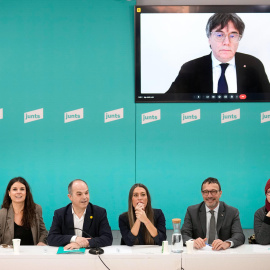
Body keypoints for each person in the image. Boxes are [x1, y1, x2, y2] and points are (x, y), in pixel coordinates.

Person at [167, 13, 270, 94]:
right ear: (209, 38)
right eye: (220, 35)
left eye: (233, 36)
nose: (226, 42)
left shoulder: (254, 65)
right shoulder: (191, 68)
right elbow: (168, 103)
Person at [181, 177, 245, 250]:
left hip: (222, 253)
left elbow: (239, 235)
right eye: (206, 192)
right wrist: (193, 242)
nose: (209, 196)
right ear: (202, 193)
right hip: (200, 253)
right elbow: (184, 234)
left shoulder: (232, 212)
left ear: (220, 193)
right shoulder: (192, 211)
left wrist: (227, 243)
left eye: (213, 191)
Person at [47, 179, 112, 249]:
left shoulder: (99, 212)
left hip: (90, 255)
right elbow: (51, 238)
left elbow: (107, 238)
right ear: (70, 197)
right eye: (79, 194)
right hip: (67, 254)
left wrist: (86, 243)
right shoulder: (60, 214)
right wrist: (74, 239)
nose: (84, 197)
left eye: (86, 193)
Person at [0, 177, 47, 245]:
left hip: (33, 253)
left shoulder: (36, 209)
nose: (18, 192)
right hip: (10, 254)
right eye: (14, 189)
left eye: (22, 189)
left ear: (26, 192)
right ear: (9, 193)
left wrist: (41, 241)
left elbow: (43, 231)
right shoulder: (2, 214)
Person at [254, 179, 270, 245]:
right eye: (269, 192)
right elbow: (261, 240)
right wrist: (268, 218)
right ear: (266, 194)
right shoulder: (259, 213)